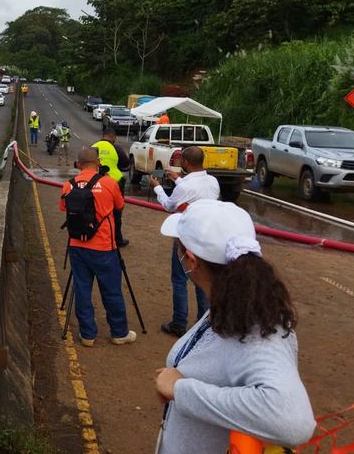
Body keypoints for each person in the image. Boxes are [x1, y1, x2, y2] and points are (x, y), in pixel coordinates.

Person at [154, 200, 315, 454]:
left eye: (178, 247)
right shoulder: (234, 303)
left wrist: (181, 390)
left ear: (191, 260)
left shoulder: (256, 329)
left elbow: (294, 421)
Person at [60, 148, 136, 347]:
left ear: (78, 164)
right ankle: (119, 332)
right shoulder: (109, 183)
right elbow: (120, 206)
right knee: (111, 291)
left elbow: (64, 208)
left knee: (82, 290)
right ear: (98, 162)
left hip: (77, 246)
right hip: (104, 247)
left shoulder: (68, 185)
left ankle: (87, 335)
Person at [149, 146, 219, 337]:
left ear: (186, 163)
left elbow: (169, 206)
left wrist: (157, 187)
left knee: (180, 279)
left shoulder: (184, 187)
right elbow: (195, 191)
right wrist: (177, 179)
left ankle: (179, 323)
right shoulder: (213, 182)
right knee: (202, 277)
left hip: (185, 236)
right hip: (205, 236)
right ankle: (203, 323)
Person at [92, 128, 129, 247]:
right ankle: (117, 240)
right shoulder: (116, 148)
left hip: (95, 183)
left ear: (103, 136)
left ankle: (95, 236)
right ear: (113, 137)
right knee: (116, 213)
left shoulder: (93, 146)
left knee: (96, 211)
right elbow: (126, 164)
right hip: (115, 183)